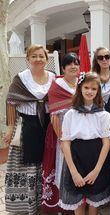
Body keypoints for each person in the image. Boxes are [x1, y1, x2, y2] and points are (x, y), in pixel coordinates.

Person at [3, 44, 55, 214]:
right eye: (34, 56)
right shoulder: (21, 78)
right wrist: (10, 128)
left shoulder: (53, 78)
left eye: (41, 56)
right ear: (27, 59)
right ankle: (26, 205)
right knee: (27, 166)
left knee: (47, 162)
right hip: (26, 126)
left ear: (46, 60)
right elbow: (11, 102)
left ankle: (45, 202)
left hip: (48, 126)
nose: (38, 59)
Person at [59, 72, 110, 215]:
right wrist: (74, 172)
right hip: (75, 160)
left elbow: (106, 143)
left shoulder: (103, 115)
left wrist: (96, 170)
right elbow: (65, 143)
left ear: (98, 91)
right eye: (87, 87)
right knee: (77, 200)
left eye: (94, 89)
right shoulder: (71, 114)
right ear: (80, 89)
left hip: (96, 160)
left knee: (94, 202)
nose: (90, 91)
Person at [41, 52, 80, 213]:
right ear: (63, 68)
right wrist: (63, 140)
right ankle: (60, 204)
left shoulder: (81, 83)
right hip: (61, 132)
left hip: (78, 132)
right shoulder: (57, 85)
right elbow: (54, 116)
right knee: (61, 164)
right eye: (69, 63)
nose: (73, 66)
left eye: (76, 63)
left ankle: (76, 202)